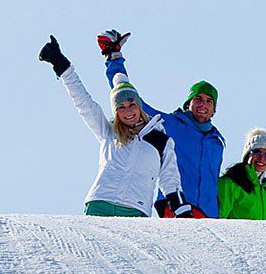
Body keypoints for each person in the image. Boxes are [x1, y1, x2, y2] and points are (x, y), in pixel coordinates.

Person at [38, 36, 194, 218]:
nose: (128, 111)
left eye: (131, 104)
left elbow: (170, 179)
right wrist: (61, 64)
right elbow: (83, 102)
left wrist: (181, 210)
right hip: (100, 202)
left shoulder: (161, 140)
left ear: (139, 105)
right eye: (121, 107)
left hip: (136, 209)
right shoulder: (109, 131)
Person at [96, 29, 225, 218]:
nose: (203, 104)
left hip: (208, 213)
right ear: (188, 103)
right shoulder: (170, 124)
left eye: (208, 101)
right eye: (198, 98)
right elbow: (127, 95)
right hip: (177, 205)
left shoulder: (217, 142)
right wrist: (114, 57)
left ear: (214, 109)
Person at [217, 128, 266, 221]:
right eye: (257, 152)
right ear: (247, 156)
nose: (262, 158)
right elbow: (217, 220)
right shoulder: (230, 184)